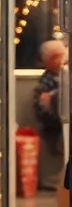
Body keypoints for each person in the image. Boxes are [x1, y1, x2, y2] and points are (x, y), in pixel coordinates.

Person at [35, 39, 67, 190]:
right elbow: (42, 107)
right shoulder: (46, 81)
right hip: (54, 124)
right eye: (56, 56)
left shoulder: (65, 75)